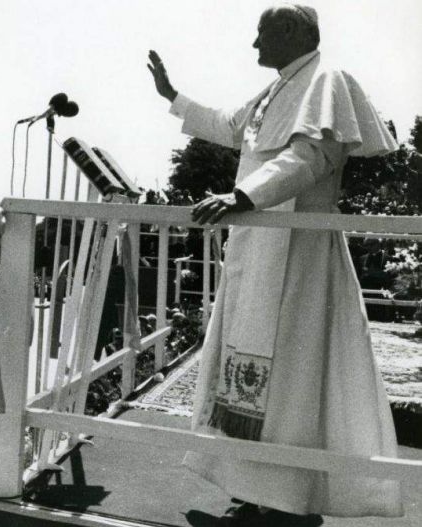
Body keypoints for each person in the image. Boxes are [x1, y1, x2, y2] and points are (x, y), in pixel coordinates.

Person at [147, 4, 403, 525]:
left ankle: (283, 500)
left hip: (299, 255)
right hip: (261, 248)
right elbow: (229, 126)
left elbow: (310, 158)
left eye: (262, 32)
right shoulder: (277, 89)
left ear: (291, 31)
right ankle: (252, 488)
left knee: (291, 377)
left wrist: (243, 195)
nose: (254, 44)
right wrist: (173, 98)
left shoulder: (327, 79)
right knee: (251, 372)